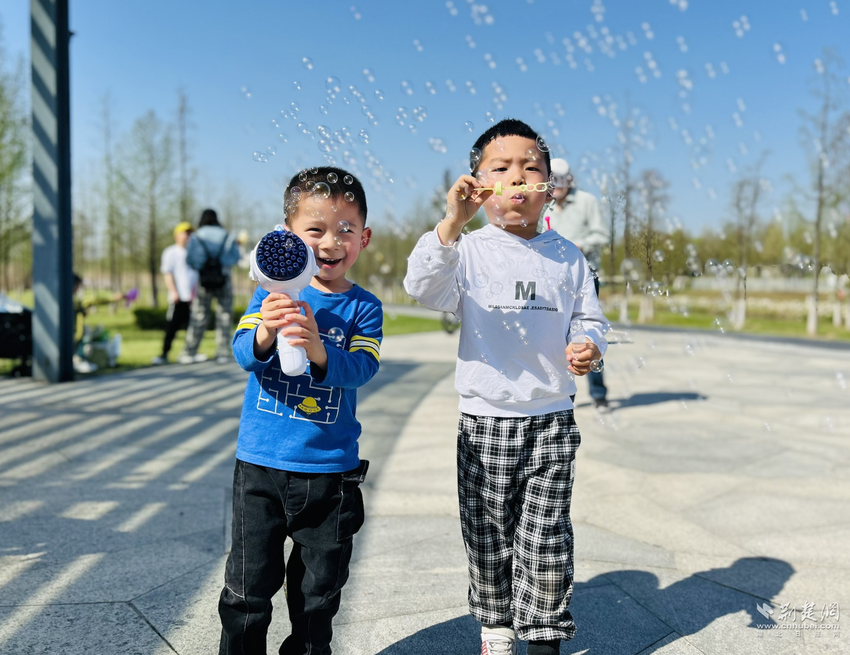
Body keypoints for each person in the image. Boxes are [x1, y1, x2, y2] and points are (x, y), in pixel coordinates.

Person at [404, 119, 609, 655]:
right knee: (488, 534)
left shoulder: (568, 255)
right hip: (484, 419)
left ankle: (543, 634)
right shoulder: (467, 251)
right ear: (478, 184)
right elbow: (422, 288)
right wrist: (452, 223)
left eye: (531, 168)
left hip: (551, 418)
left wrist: (588, 344)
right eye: (501, 168)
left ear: (550, 187)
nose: (517, 178)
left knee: (545, 535)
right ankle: (496, 626)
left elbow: (591, 318)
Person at [218, 166, 382, 655]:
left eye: (345, 230)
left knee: (318, 595)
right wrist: (266, 330)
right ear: (286, 237)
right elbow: (244, 353)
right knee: (247, 588)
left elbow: (362, 369)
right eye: (315, 230)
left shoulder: (364, 308)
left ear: (364, 238)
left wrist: (318, 350)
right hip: (261, 467)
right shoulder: (269, 293)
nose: (331, 243)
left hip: (330, 474)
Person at [546, 158, 611, 411]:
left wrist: (578, 245)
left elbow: (602, 234)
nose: (557, 187)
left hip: (585, 275)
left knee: (586, 335)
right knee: (557, 339)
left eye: (561, 181)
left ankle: (599, 394)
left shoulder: (587, 201)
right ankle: (564, 397)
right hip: (553, 278)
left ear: (569, 180)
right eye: (553, 182)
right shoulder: (545, 205)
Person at [179, 208, 241, 364]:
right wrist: (220, 264)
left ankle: (189, 351)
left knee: (199, 315)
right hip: (223, 279)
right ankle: (222, 352)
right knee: (225, 315)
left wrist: (202, 266)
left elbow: (190, 259)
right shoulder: (227, 235)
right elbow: (235, 258)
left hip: (204, 281)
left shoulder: (196, 236)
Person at [152, 221, 198, 365]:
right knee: (172, 327)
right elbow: (168, 274)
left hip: (193, 298)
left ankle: (190, 352)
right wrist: (174, 292)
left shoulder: (195, 253)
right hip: (178, 297)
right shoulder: (171, 252)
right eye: (186, 233)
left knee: (194, 327)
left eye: (190, 233)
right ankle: (164, 354)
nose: (188, 236)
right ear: (177, 235)